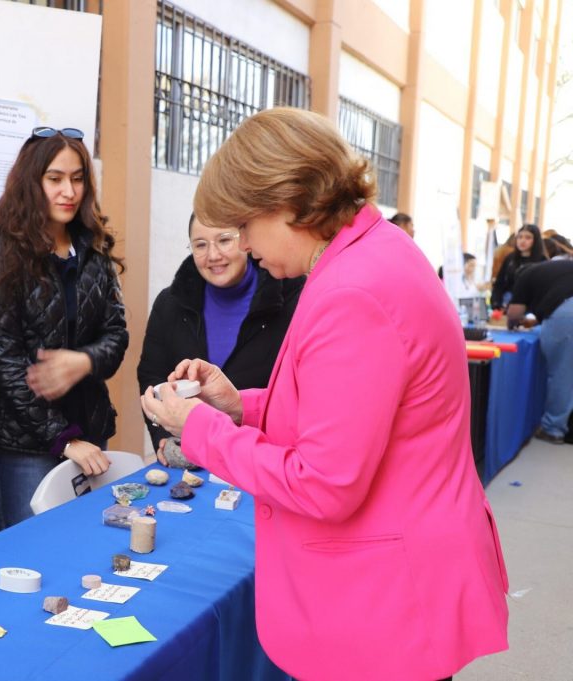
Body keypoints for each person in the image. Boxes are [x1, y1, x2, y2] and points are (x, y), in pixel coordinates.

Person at [141, 108, 508, 681]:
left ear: (286, 201)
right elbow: (347, 412)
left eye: (244, 225)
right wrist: (239, 406)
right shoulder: (370, 253)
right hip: (401, 579)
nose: (243, 245)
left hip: (385, 602)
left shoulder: (352, 290)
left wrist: (200, 430)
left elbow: (324, 482)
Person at [0, 126, 128, 530]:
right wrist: (64, 439)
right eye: (55, 179)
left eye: (77, 179)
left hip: (91, 431)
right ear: (31, 183)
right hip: (27, 445)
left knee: (87, 548)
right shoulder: (2, 257)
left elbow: (116, 336)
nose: (68, 191)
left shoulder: (94, 250)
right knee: (32, 556)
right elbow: (4, 366)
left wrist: (84, 361)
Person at [137, 212, 302, 459]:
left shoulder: (292, 297)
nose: (213, 255)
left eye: (224, 240)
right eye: (200, 245)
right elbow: (153, 374)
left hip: (267, 457)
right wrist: (163, 435)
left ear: (246, 240)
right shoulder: (170, 303)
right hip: (193, 455)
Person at [506, 259, 573, 444]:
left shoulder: (524, 276)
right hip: (566, 310)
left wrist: (512, 323)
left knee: (562, 374)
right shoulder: (556, 269)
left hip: (567, 314)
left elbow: (514, 313)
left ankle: (553, 429)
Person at [491, 223, 545, 309]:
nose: (522, 241)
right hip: (508, 302)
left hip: (531, 305)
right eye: (520, 237)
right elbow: (499, 283)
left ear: (535, 240)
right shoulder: (510, 258)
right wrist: (496, 302)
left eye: (528, 237)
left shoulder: (542, 261)